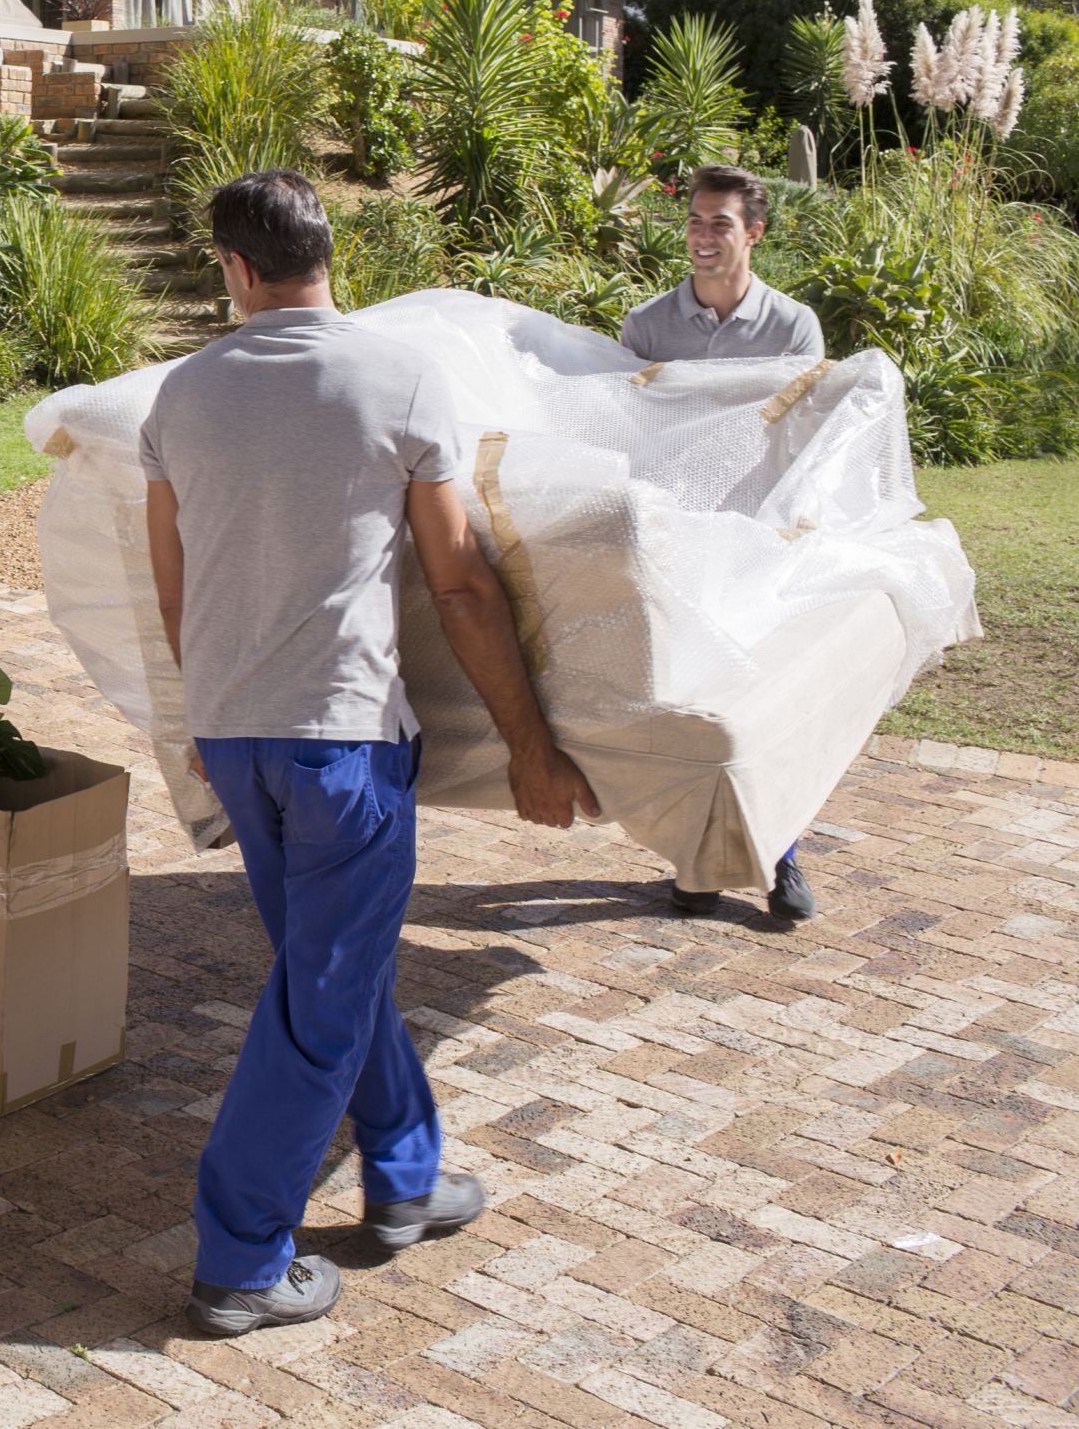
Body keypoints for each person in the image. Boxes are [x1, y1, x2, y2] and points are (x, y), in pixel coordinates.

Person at [143, 170, 601, 1338]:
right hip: (340, 740)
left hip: (238, 734)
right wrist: (530, 746)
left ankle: (402, 1174)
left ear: (236, 270)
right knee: (320, 1001)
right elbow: (457, 581)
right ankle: (242, 1255)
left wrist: (199, 724)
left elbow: (173, 584)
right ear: (325, 255)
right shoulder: (398, 377)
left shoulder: (179, 397)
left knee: (332, 972)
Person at [618, 164, 823, 923]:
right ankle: (698, 861)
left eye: (721, 225)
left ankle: (783, 856)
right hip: (676, 541)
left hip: (758, 540)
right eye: (697, 222)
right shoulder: (647, 326)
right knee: (692, 703)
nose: (703, 238)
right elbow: (632, 432)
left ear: (754, 233)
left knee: (765, 698)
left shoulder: (793, 326)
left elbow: (796, 440)